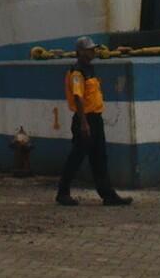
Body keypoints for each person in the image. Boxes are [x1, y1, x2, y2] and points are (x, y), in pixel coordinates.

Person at [56, 36, 133, 207]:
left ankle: (108, 195)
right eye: (89, 49)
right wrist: (84, 123)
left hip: (95, 118)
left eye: (93, 49)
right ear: (80, 52)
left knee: (99, 157)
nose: (93, 51)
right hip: (85, 119)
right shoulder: (77, 72)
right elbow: (78, 97)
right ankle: (63, 192)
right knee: (77, 156)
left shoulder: (89, 69)